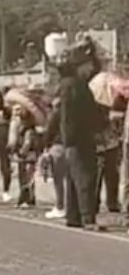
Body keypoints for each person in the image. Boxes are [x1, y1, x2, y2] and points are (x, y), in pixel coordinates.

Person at [58, 40, 104, 231]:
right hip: (80, 138)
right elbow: (80, 115)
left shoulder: (69, 84)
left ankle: (74, 216)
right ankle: (88, 218)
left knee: (74, 178)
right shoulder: (75, 86)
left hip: (71, 139)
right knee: (85, 177)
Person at [43, 98, 67, 219]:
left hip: (58, 147)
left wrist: (46, 146)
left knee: (58, 180)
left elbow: (49, 131)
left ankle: (60, 206)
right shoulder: (75, 113)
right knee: (72, 180)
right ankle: (72, 207)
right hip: (73, 146)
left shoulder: (56, 114)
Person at [12, 106, 41, 208]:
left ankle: (27, 199)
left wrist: (21, 153)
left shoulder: (29, 131)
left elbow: (27, 143)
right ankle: (27, 198)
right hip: (26, 156)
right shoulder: (22, 129)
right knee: (24, 177)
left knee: (27, 178)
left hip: (29, 156)